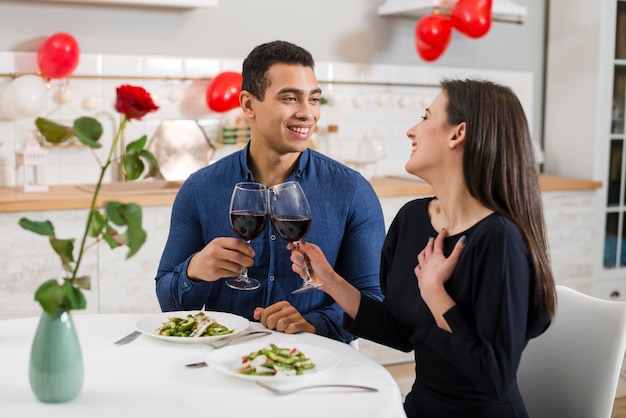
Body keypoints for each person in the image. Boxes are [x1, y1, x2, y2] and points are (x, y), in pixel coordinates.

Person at [290, 79, 557, 417]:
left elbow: (495, 376)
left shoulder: (499, 240)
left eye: (426, 117)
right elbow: (403, 331)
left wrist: (436, 293)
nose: (411, 130)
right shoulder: (413, 218)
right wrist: (329, 280)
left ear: (457, 134)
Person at [154, 40, 385, 344]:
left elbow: (374, 301)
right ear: (249, 104)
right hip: (223, 356)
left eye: (313, 100)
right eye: (290, 98)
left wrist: (314, 323)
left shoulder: (352, 190)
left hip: (320, 360)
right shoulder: (200, 188)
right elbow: (169, 302)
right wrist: (194, 271)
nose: (308, 114)